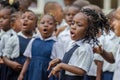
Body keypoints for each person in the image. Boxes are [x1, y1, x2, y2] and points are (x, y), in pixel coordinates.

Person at [47, 8, 106, 80]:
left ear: (89, 31)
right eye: (72, 23)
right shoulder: (73, 44)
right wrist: (60, 60)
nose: (73, 27)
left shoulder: (85, 48)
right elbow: (73, 62)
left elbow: (82, 71)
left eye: (79, 25)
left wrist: (62, 66)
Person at [18, 14, 57, 80]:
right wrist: (22, 74)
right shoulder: (33, 40)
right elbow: (28, 60)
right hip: (32, 73)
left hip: (47, 75)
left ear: (55, 27)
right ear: (37, 26)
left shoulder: (56, 44)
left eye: (50, 23)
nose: (46, 25)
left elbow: (58, 63)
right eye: (42, 23)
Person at [2, 10, 37, 80]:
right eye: (23, 18)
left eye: (30, 18)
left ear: (35, 24)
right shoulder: (14, 39)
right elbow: (5, 57)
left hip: (31, 72)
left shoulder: (37, 39)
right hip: (15, 73)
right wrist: (11, 64)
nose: (26, 20)